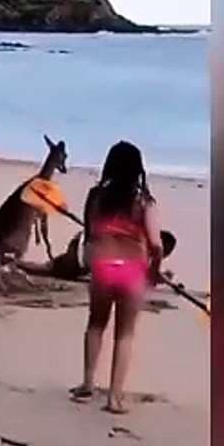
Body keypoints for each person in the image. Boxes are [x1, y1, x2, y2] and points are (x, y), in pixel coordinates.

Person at [70, 141, 163, 414]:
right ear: (138, 169)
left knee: (96, 324)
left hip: (102, 266)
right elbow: (156, 243)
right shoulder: (145, 202)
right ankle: (114, 397)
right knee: (125, 334)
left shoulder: (96, 196)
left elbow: (89, 235)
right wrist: (155, 268)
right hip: (132, 270)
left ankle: (87, 384)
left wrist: (89, 261)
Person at [17, 230, 176, 281]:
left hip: (83, 243)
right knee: (50, 271)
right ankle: (16, 264)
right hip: (82, 256)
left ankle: (17, 263)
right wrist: (160, 277)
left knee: (50, 267)